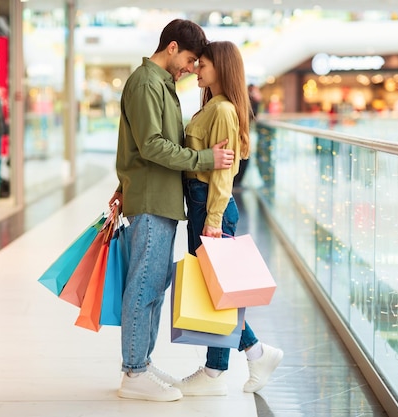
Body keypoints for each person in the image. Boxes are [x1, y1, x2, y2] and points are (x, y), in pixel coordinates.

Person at [108, 19, 235, 402]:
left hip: (159, 197)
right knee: (144, 284)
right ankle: (133, 372)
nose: (193, 69)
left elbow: (138, 146)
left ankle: (141, 364)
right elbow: (150, 145)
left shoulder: (161, 84)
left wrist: (120, 185)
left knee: (155, 283)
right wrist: (205, 158)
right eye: (192, 60)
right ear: (173, 46)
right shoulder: (147, 83)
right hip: (151, 199)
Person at [174, 41, 283, 396]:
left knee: (216, 292)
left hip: (210, 207)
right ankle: (256, 353)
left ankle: (215, 370)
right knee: (215, 290)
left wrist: (214, 219)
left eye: (202, 64)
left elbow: (224, 173)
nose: (196, 70)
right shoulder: (213, 106)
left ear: (220, 68)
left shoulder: (222, 110)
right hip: (202, 206)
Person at [232, 83, 260, 189]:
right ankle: (237, 181)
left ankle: (238, 181)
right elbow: (253, 115)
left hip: (245, 132)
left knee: (245, 155)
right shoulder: (245, 100)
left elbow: (254, 115)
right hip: (242, 132)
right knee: (244, 155)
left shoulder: (249, 100)